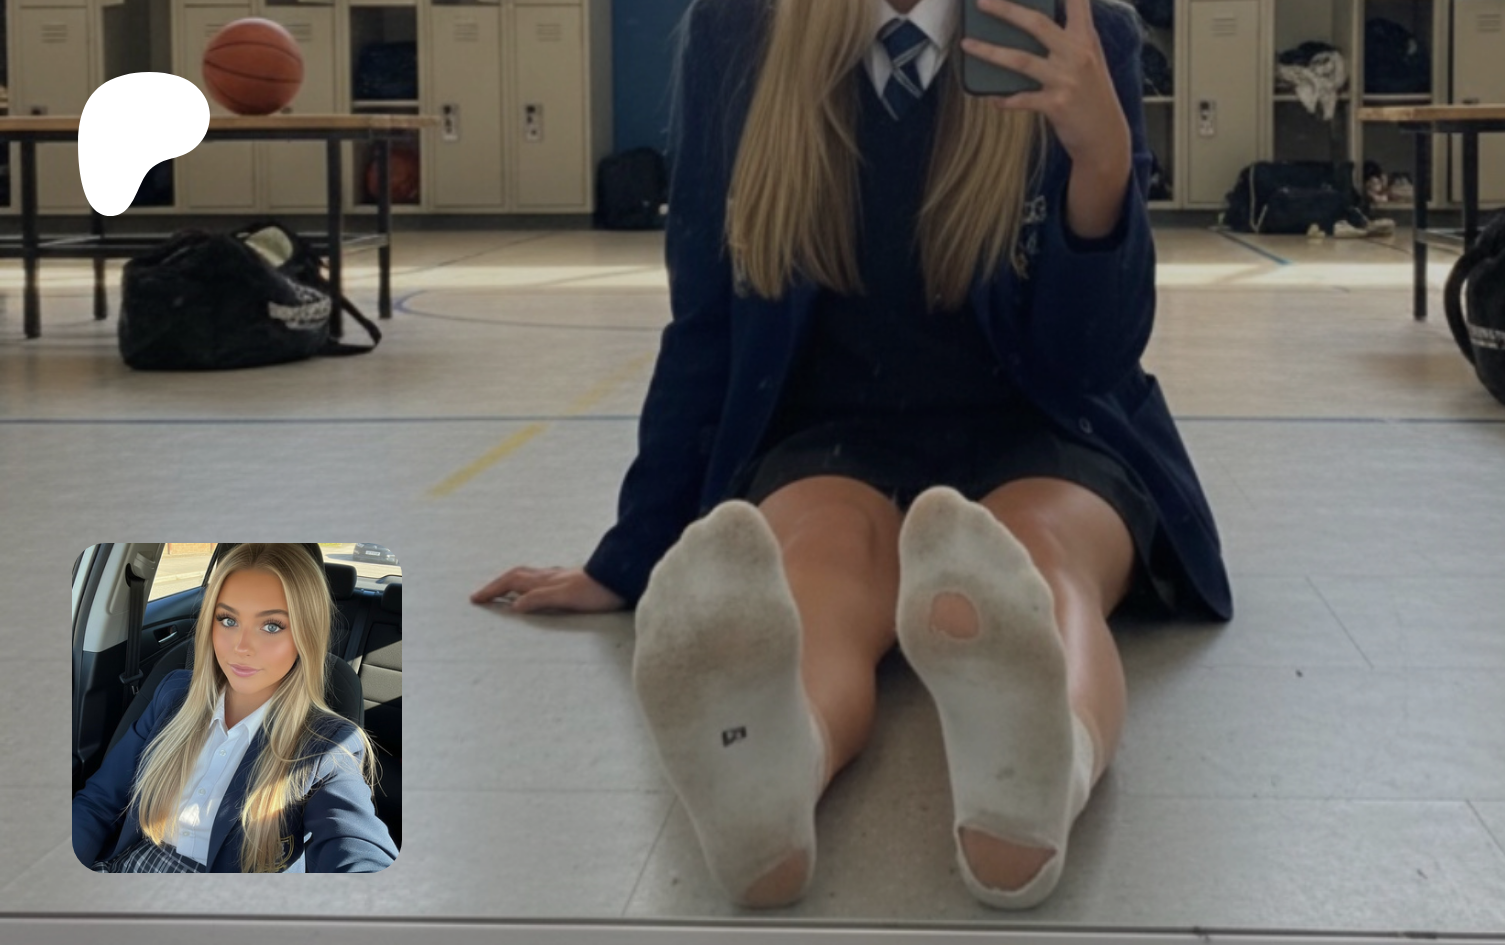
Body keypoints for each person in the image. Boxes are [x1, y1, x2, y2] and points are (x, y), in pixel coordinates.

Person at [473, 0, 1231, 909]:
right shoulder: (738, 33)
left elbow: (1093, 360)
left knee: (1038, 564)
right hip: (832, 433)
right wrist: (629, 555)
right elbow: (705, 322)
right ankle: (776, 769)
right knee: (815, 573)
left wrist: (1101, 166)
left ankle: (1042, 766)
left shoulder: (1079, 31)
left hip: (1044, 423)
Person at [73, 543, 396, 873]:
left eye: (272, 626)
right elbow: (100, 802)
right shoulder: (173, 694)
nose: (241, 647)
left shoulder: (326, 746)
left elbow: (358, 850)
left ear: (306, 635)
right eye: (228, 620)